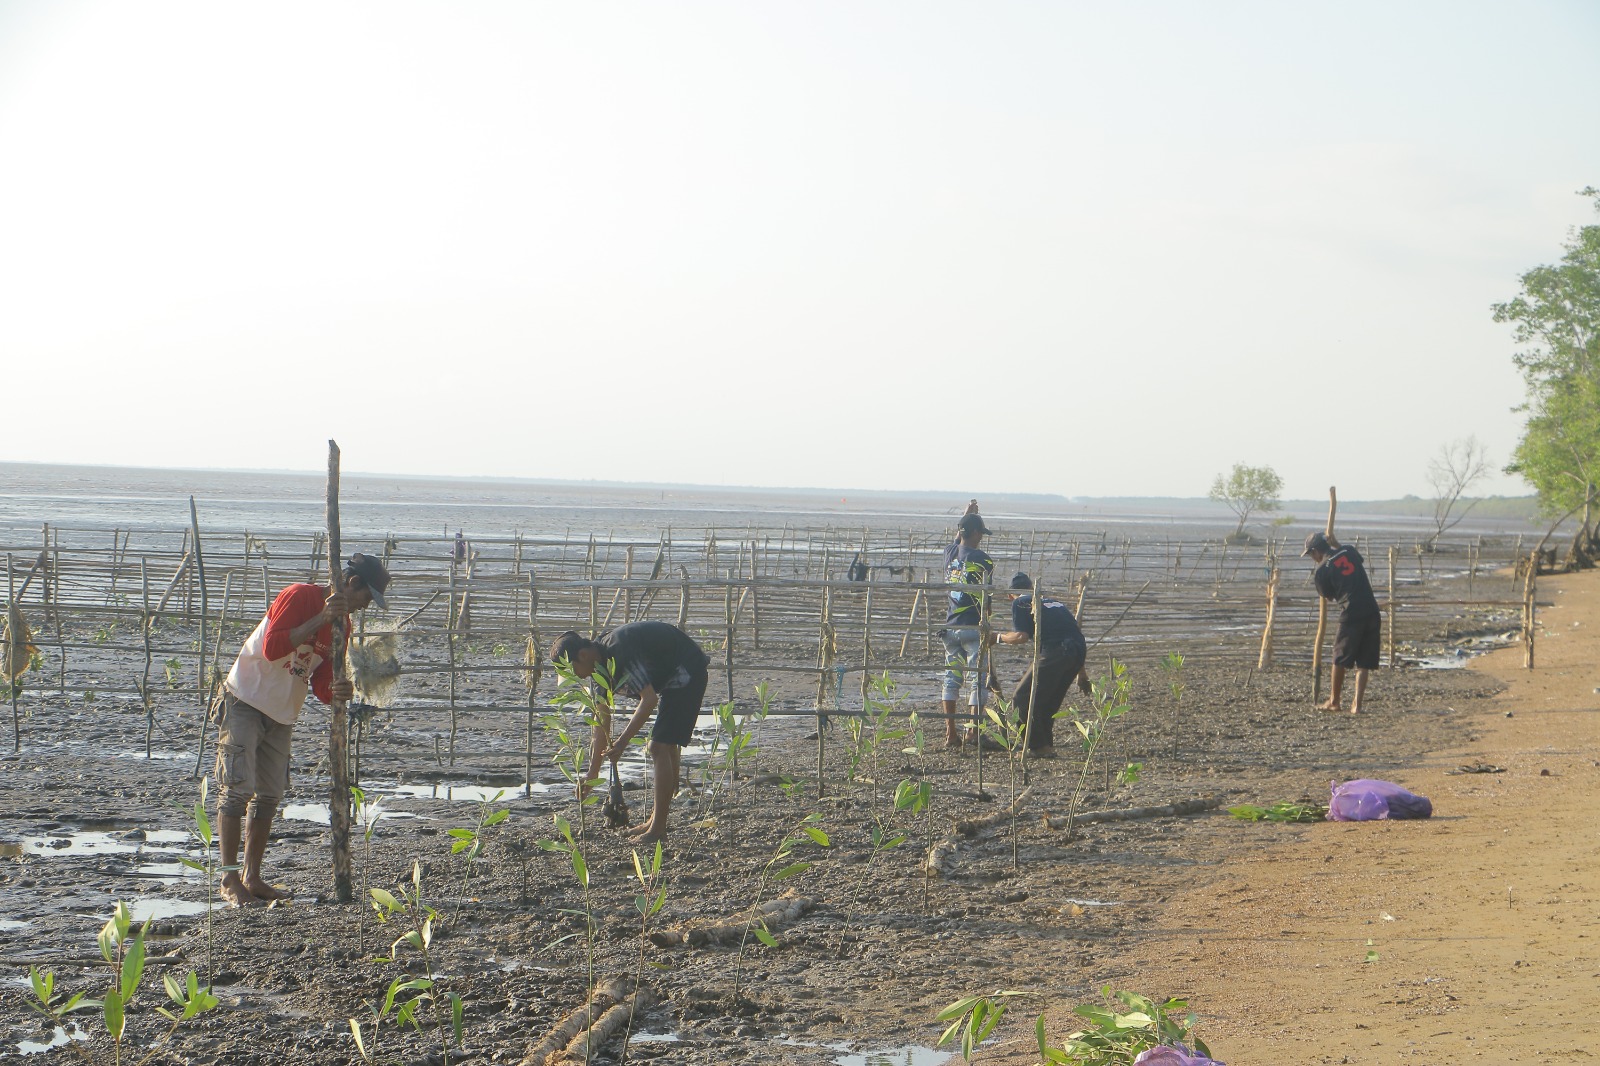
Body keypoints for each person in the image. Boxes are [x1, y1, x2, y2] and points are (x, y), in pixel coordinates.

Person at [214, 553, 390, 906]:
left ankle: (253, 877)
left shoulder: (343, 625)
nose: (363, 607)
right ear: (352, 584)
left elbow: (322, 680)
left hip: (281, 713)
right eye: (366, 597)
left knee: (269, 795)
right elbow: (273, 647)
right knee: (237, 790)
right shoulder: (300, 596)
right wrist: (319, 618)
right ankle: (230, 879)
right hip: (245, 699)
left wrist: (338, 690)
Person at [549, 621, 710, 844]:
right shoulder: (598, 672)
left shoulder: (619, 649)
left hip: (687, 671)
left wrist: (622, 743)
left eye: (573, 670)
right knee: (665, 744)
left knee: (658, 746)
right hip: (668, 679)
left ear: (583, 655)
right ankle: (655, 821)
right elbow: (601, 723)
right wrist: (591, 774)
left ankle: (658, 830)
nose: (577, 677)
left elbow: (649, 700)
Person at [992, 572, 1090, 756]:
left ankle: (1037, 747)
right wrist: (1082, 673)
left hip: (1057, 651)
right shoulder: (1054, 603)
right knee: (1047, 701)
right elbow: (1074, 632)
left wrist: (997, 638)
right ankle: (1045, 746)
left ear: (1010, 595)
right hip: (1077, 652)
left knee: (1021, 698)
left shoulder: (1020, 602)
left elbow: (1021, 636)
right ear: (1031, 588)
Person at [1304, 531, 1380, 713]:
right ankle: (1357, 705)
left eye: (1310, 554)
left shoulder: (1322, 571)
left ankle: (1334, 701)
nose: (1312, 558)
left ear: (1315, 551)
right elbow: (1352, 559)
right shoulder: (1348, 551)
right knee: (1363, 661)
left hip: (1351, 612)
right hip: (1371, 610)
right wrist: (1337, 545)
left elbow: (1329, 597)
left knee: (1339, 657)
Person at [940, 503, 995, 748]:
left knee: (951, 679)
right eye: (980, 532)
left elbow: (956, 540)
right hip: (973, 626)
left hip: (950, 627)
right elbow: (987, 598)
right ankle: (972, 732)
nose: (982, 537)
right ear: (975, 534)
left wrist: (966, 513)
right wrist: (989, 625)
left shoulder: (949, 553)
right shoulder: (983, 560)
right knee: (977, 679)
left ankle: (951, 734)